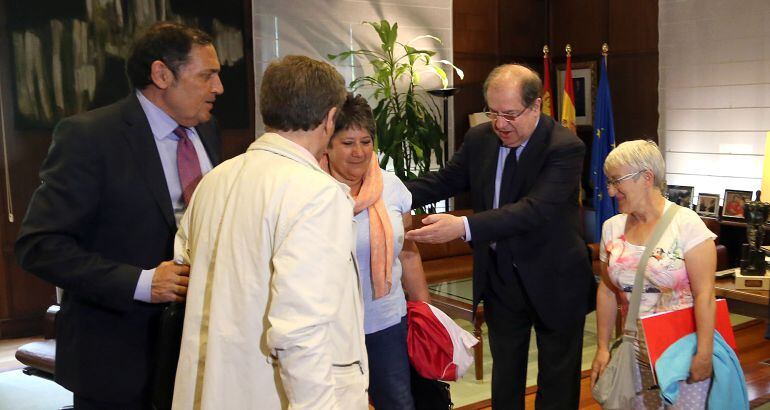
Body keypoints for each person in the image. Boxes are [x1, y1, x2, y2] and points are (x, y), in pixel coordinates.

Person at [14, 22, 223, 409]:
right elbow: (39, 246)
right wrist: (142, 283)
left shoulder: (206, 132)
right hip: (117, 358)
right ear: (162, 74)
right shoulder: (90, 137)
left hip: (200, 354)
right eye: (207, 75)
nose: (218, 88)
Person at [171, 55, 368, 409]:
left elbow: (184, 263)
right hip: (273, 392)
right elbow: (300, 329)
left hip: (218, 385)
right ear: (330, 118)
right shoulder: (317, 194)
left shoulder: (215, 179)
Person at [404, 64, 594, 409]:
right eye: (493, 113)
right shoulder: (481, 139)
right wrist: (387, 191)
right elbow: (444, 181)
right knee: (505, 375)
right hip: (500, 275)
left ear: (536, 106)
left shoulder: (564, 146)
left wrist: (462, 227)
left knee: (558, 380)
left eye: (510, 114)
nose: (500, 124)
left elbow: (533, 210)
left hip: (556, 278)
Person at [590, 140, 716, 409]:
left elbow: (704, 294)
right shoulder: (612, 228)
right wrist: (602, 347)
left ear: (646, 177)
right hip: (632, 351)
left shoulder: (687, 223)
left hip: (681, 350)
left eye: (617, 181)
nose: (611, 192)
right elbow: (607, 290)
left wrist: (704, 353)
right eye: (608, 183)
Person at [323, 93, 430, 409]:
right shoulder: (314, 190)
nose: (359, 152)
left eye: (366, 141)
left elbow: (407, 251)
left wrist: (424, 310)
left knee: (398, 402)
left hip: (385, 321)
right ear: (327, 144)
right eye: (347, 143)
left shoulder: (392, 186)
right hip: (333, 325)